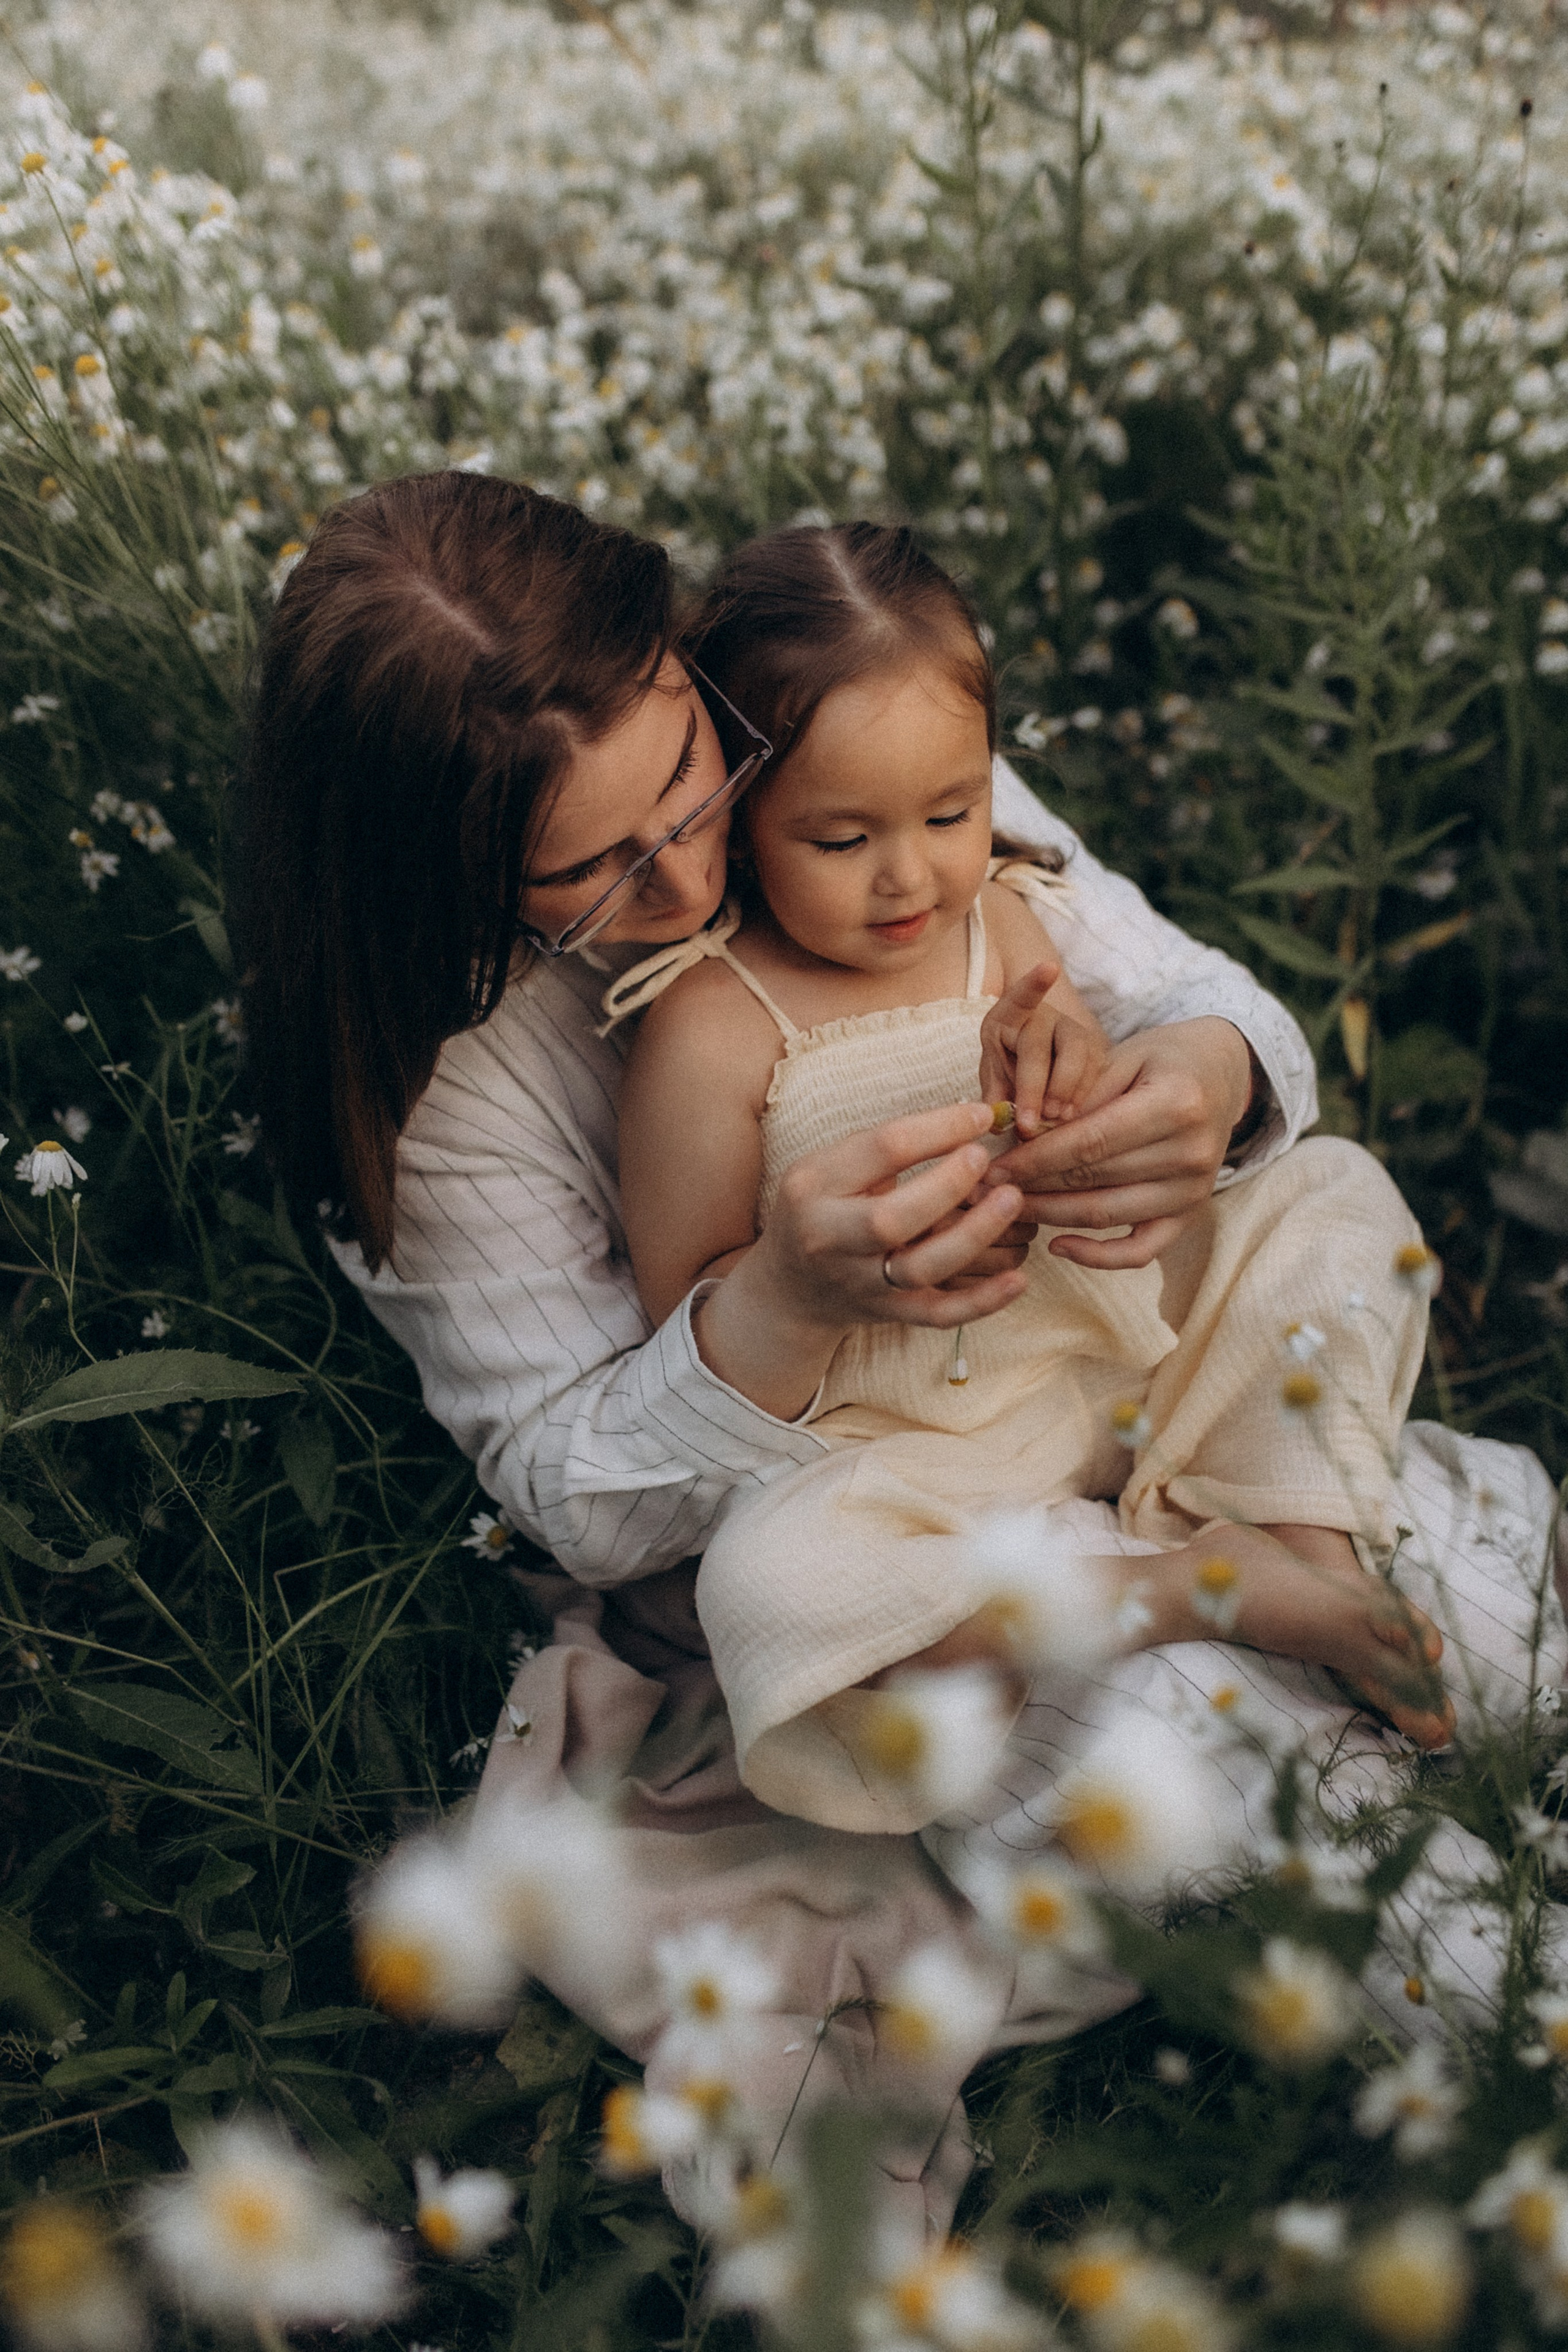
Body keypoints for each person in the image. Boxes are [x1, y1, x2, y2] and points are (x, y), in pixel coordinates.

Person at [235, 471, 1561, 2231]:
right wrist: (785, 1296)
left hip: (1105, 1368)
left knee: (1468, 1553)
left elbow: (1196, 997)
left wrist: (1189, 1093)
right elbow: (578, 1498)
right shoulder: (442, 1082)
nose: (699, 866)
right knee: (1284, 1812)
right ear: (448, 886)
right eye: (598, 874)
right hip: (892, 1509)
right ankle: (1218, 1634)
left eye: (693, 787)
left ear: (684, 674)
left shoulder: (816, 738)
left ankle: (1276, 1539)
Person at [609, 523, 1449, 1824]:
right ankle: (1186, 1586)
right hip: (904, 1448)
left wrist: (1070, 1077)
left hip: (1106, 1348)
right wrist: (814, 1270)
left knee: (1330, 1192)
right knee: (766, 1594)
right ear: (740, 815)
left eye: (950, 813)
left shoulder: (995, 915)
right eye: (837, 839)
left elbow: (1098, 1088)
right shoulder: (708, 1026)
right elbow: (691, 1307)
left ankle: (1304, 1537)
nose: (908, 875)